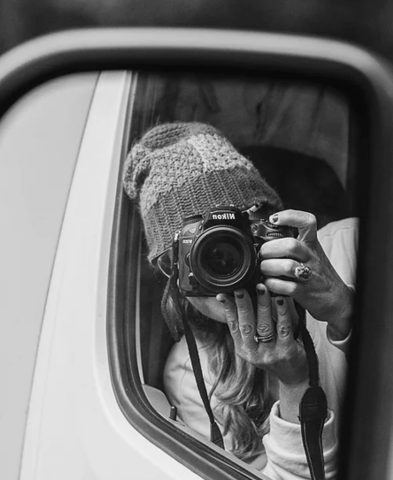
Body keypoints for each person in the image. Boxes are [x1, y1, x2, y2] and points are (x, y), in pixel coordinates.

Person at [123, 122, 357, 480]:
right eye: (196, 253)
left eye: (238, 238)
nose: (223, 263)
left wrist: (345, 311)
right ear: (173, 275)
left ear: (272, 226)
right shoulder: (193, 371)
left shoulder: (353, 247)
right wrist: (294, 384)